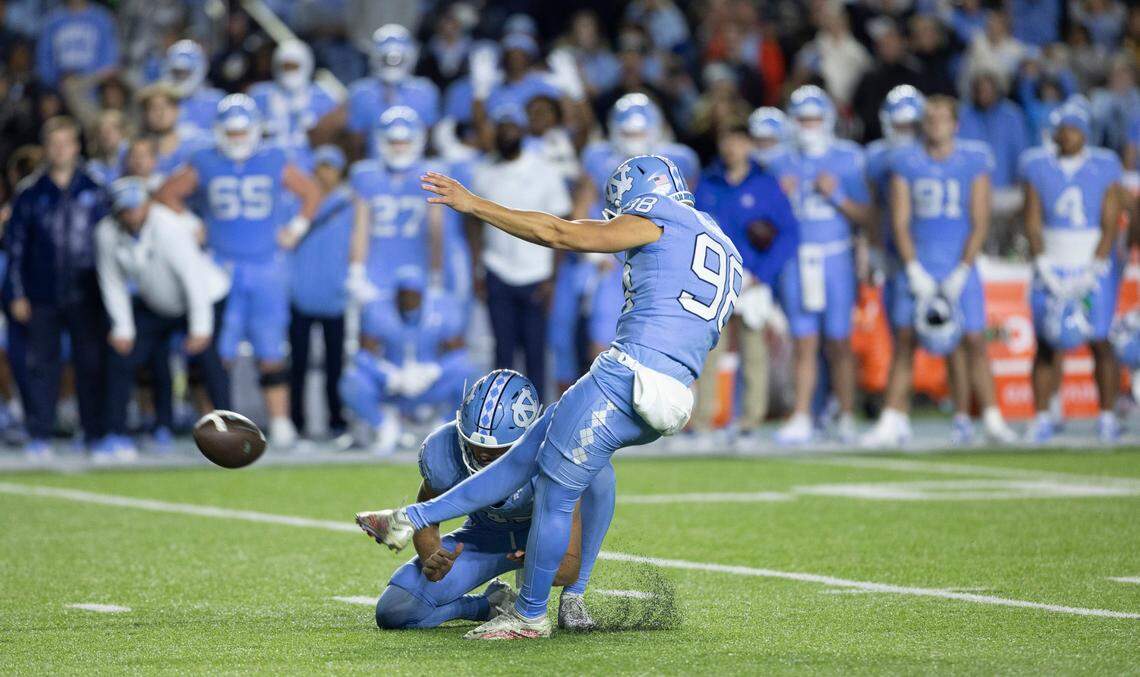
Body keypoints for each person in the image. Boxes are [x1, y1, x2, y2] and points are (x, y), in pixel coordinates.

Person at [356, 154, 743, 639]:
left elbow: (559, 234)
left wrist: (474, 204)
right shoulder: (720, 240)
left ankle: (531, 614)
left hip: (630, 371)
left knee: (558, 490)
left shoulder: (657, 216)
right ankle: (407, 519)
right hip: (671, 385)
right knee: (530, 451)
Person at [156, 94, 322, 448]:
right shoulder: (204, 159)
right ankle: (213, 425)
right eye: (229, 133)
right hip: (220, 266)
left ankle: (279, 423)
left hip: (266, 266)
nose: (235, 139)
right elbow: (166, 193)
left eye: (241, 132)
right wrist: (189, 221)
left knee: (271, 349)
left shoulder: (273, 158)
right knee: (218, 351)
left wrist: (296, 229)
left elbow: (311, 192)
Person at [370, 369, 588, 630]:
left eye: (498, 451)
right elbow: (426, 513)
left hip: (544, 535)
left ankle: (574, 597)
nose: (484, 455)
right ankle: (489, 605)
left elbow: (567, 568)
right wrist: (433, 557)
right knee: (394, 610)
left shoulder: (555, 454)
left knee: (601, 479)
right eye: (475, 445)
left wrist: (539, 561)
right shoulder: (444, 451)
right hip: (484, 538)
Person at [862, 96, 1017, 447]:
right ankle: (893, 418)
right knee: (904, 341)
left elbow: (980, 220)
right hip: (917, 262)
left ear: (955, 124)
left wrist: (963, 268)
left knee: (974, 341)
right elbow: (899, 222)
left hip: (958, 263)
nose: (935, 124)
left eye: (942, 118)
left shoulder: (973, 159)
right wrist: (914, 268)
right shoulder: (905, 160)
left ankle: (992, 418)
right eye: (930, 118)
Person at [767, 85, 874, 445]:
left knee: (840, 342)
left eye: (815, 118)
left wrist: (839, 196)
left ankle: (845, 413)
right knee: (803, 341)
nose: (809, 126)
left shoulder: (848, 157)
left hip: (836, 256)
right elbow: (764, 221)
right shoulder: (779, 161)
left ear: (827, 120)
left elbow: (869, 215)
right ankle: (802, 413)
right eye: (803, 119)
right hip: (797, 259)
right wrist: (778, 199)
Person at [95, 177, 231, 456]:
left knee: (208, 361)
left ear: (147, 204)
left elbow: (193, 280)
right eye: (126, 208)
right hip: (157, 303)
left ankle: (230, 433)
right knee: (125, 356)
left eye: (137, 206)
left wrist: (200, 328)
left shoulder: (169, 227)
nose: (133, 214)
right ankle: (123, 432)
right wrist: (122, 328)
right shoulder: (106, 233)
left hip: (204, 298)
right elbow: (112, 282)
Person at [5, 116, 109, 460]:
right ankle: (40, 433)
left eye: (67, 142)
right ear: (45, 148)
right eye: (54, 143)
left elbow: (109, 243)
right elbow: (16, 247)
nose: (61, 149)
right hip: (42, 291)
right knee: (41, 366)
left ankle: (94, 432)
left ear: (77, 146)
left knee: (90, 363)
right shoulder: (31, 193)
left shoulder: (95, 189)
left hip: (87, 290)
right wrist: (16, 292)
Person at [1021, 104, 1126, 442]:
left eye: (1074, 128)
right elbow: (1033, 219)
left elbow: (1111, 220)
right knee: (1047, 342)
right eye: (1063, 128)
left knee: (1100, 340)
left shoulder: (1105, 165)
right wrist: (1042, 263)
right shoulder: (1038, 165)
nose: (1068, 134)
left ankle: (1107, 415)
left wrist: (1096, 265)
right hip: (1053, 258)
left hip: (1091, 261)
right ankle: (1041, 416)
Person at [693, 121, 799, 444]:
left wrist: (762, 274)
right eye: (726, 140)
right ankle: (702, 423)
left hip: (753, 279)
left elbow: (789, 233)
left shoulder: (765, 184)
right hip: (717, 280)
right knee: (708, 352)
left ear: (749, 145)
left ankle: (750, 421)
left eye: (738, 141)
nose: (732, 148)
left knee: (755, 352)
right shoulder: (708, 183)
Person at [471, 102, 572, 397]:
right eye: (501, 128)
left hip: (536, 273)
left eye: (512, 128)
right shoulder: (484, 173)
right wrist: (478, 265)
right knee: (502, 353)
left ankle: (536, 415)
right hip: (497, 269)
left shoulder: (545, 171)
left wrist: (553, 278)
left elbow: (561, 225)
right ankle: (500, 419)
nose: (506, 134)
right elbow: (473, 224)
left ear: (523, 131)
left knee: (535, 352)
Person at [339, 266, 473, 454]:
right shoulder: (377, 310)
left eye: (414, 294)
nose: (408, 300)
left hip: (429, 383)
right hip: (393, 384)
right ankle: (384, 426)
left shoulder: (443, 309)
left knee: (468, 374)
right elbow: (363, 355)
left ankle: (443, 427)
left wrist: (433, 371)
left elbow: (460, 355)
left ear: (423, 294)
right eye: (404, 294)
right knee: (352, 379)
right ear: (395, 294)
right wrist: (389, 375)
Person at [288, 145, 356, 439]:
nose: (326, 173)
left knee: (334, 366)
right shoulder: (299, 203)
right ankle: (296, 422)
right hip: (300, 293)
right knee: (298, 364)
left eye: (331, 167)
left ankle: (336, 420)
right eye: (321, 166)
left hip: (334, 296)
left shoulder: (351, 203)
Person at [347, 106, 446, 298]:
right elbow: (360, 228)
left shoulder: (432, 174)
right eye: (393, 141)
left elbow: (436, 232)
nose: (399, 148)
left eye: (405, 141)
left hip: (418, 269)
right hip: (376, 272)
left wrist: (436, 274)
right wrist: (356, 271)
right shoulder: (365, 174)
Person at [312, 24, 440, 159]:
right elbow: (355, 142)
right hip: (375, 162)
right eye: (386, 58)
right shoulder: (361, 92)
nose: (392, 62)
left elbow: (430, 139)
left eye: (397, 59)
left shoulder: (425, 90)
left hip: (416, 166)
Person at [249, 40, 337, 169]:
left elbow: (332, 139)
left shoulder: (323, 96)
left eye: (294, 66)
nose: (290, 72)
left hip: (310, 166)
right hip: (268, 164)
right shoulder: (260, 95)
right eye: (286, 67)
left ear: (307, 65)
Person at [35, 0, 118, 89]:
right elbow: (44, 59)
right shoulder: (52, 21)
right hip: (59, 89)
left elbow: (109, 61)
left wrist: (87, 81)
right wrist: (56, 82)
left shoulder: (102, 19)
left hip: (93, 90)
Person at [160, 40, 225, 137]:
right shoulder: (159, 101)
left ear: (199, 69)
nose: (181, 77)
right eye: (177, 72)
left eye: (185, 72)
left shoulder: (217, 101)